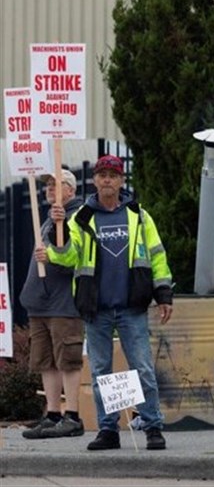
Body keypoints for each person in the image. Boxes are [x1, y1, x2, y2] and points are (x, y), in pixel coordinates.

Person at [38, 154, 174, 451]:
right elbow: (67, 258)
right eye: (102, 175)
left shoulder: (138, 215)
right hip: (95, 308)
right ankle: (108, 429)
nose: (107, 179)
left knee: (143, 368)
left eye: (113, 175)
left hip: (131, 306)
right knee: (101, 372)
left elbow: (157, 256)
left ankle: (153, 426)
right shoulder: (82, 217)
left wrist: (163, 294)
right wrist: (58, 238)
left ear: (122, 180)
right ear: (95, 180)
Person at [21, 169, 85, 439]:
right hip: (41, 304)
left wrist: (54, 249)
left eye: (56, 184)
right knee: (46, 360)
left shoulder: (77, 217)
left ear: (70, 190)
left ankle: (72, 415)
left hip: (63, 303)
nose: (49, 188)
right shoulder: (48, 220)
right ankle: (53, 414)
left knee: (67, 359)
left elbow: (75, 255)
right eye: (47, 184)